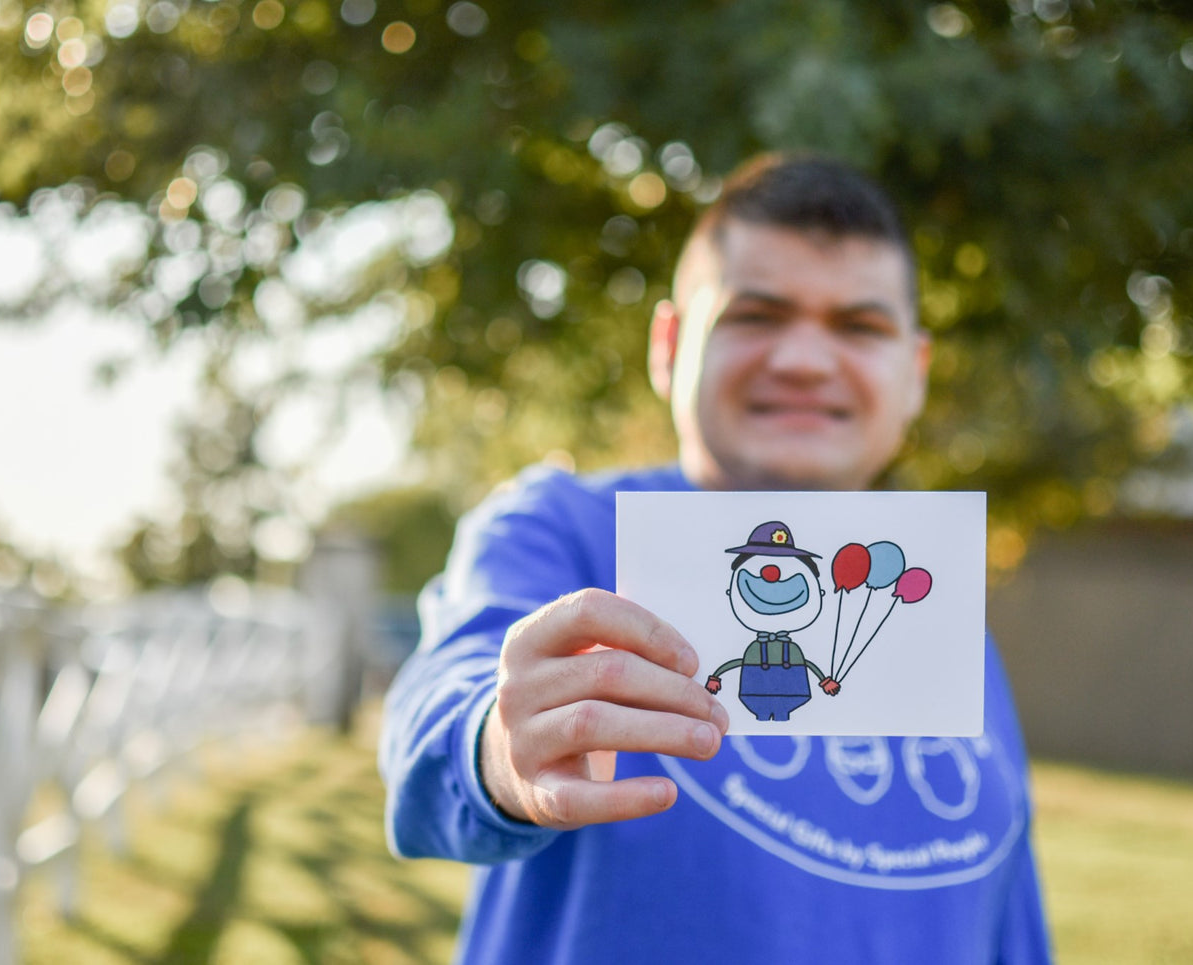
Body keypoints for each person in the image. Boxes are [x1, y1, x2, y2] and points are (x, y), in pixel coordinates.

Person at [379, 153, 1051, 964]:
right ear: (668, 345)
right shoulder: (562, 530)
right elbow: (435, 741)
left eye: (858, 326)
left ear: (912, 374)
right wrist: (495, 747)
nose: (803, 360)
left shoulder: (934, 613)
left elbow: (1009, 925)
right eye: (754, 316)